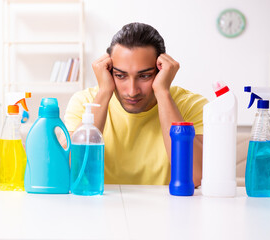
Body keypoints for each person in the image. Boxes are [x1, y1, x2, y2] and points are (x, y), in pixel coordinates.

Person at [64, 22, 208, 186]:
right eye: (120, 75)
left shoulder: (191, 105)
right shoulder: (84, 102)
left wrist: (162, 93)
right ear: (109, 71)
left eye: (145, 76)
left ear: (161, 71)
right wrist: (104, 92)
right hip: (101, 207)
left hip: (170, 208)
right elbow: (69, 169)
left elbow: (196, 176)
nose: (132, 91)